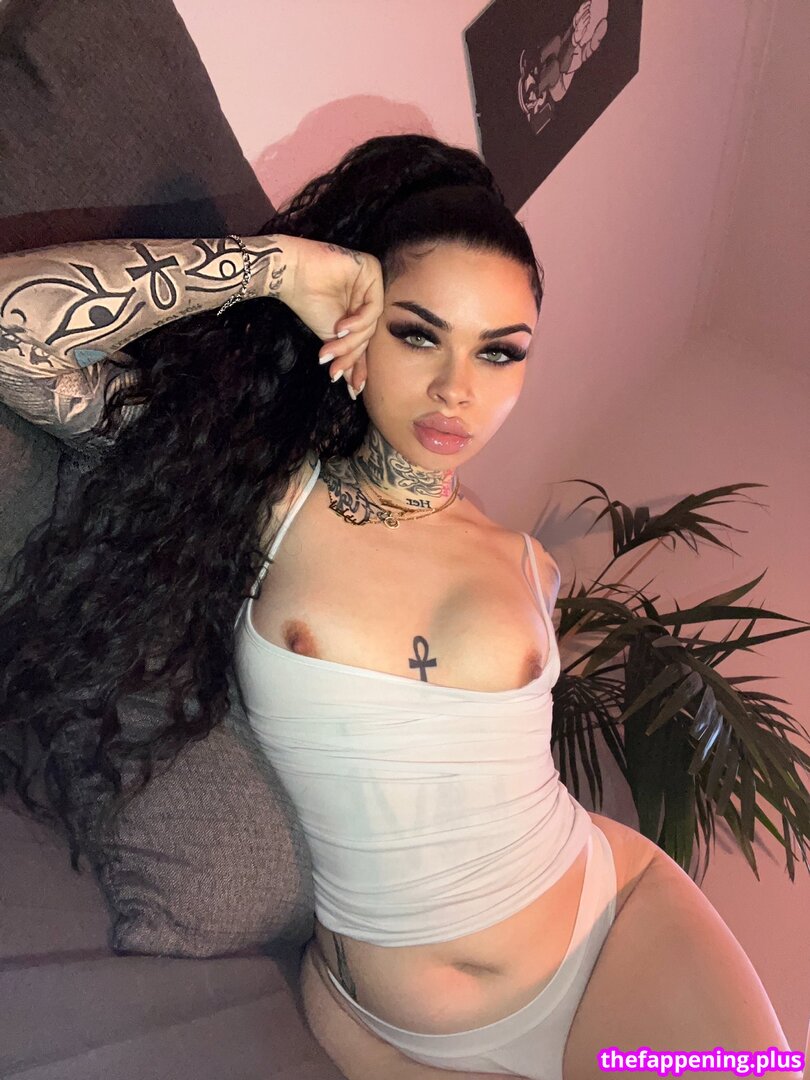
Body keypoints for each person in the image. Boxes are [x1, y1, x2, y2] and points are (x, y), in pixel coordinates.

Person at [0, 134, 798, 1080]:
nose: (457, 388)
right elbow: (14, 335)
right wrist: (279, 269)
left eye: (499, 353)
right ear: (359, 320)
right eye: (419, 333)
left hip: (613, 925)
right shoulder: (264, 494)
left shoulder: (530, 564)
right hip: (385, 1021)